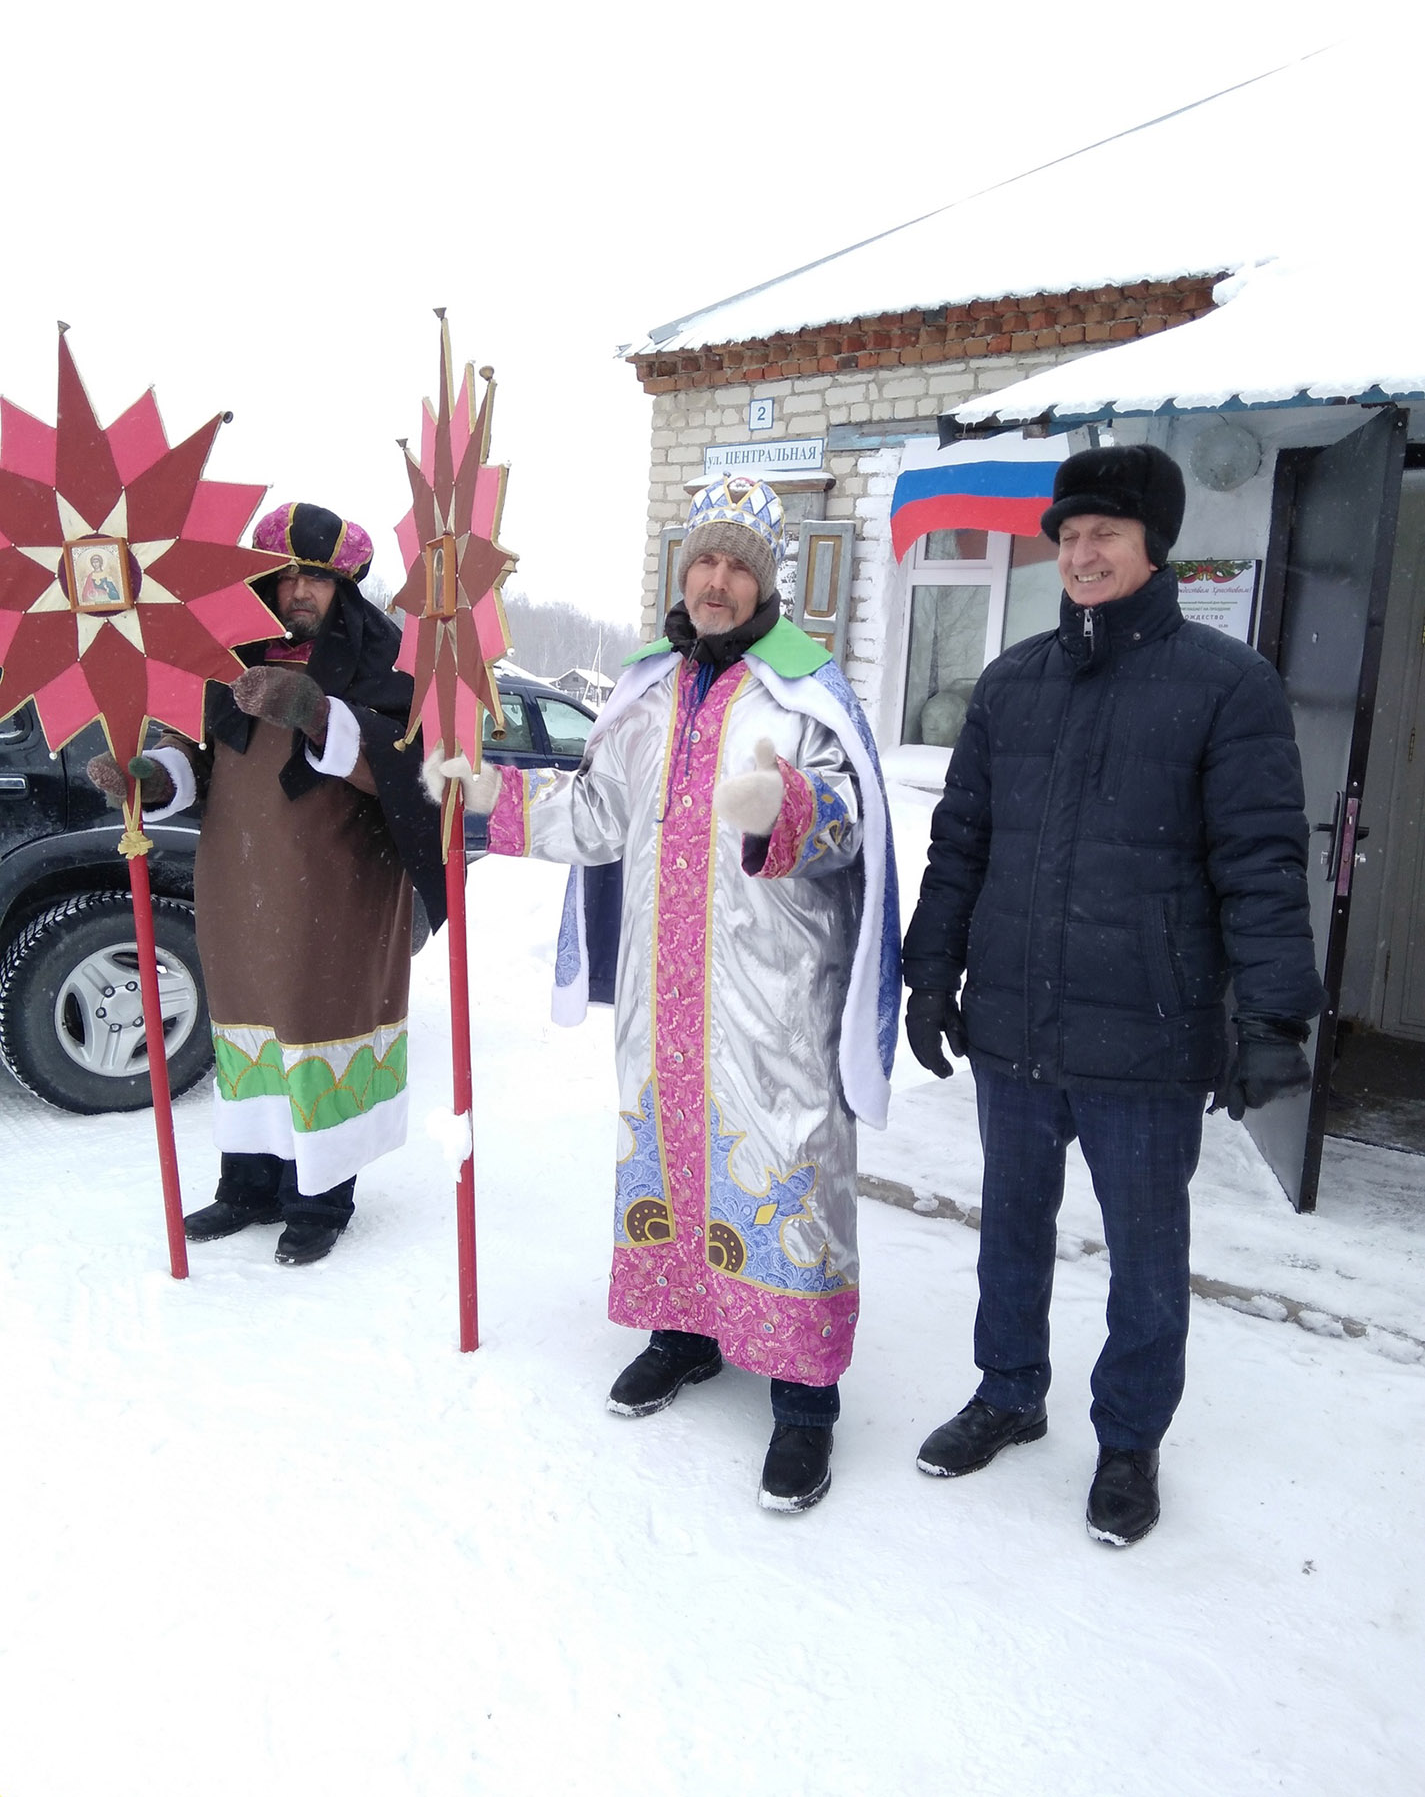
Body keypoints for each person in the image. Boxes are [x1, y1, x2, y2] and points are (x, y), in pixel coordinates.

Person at [451, 476, 900, 1512]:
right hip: (664, 987)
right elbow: (601, 814)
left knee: (786, 1161)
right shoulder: (647, 687)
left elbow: (850, 825)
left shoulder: (806, 690)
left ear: (766, 581)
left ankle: (803, 1400)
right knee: (665, 1143)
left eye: (737, 564)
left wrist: (784, 809)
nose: (715, 579)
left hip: (774, 995)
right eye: (703, 559)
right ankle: (685, 1331)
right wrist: (493, 797)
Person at [901, 444, 1322, 1545]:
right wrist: (931, 969)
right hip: (1017, 1022)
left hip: (1149, 1032)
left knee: (1145, 1252)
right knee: (1011, 1228)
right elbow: (962, 842)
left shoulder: (1228, 688)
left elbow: (1260, 860)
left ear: (1153, 548)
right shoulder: (1011, 682)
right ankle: (1008, 1392)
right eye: (1070, 536)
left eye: (1107, 536)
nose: (1082, 553)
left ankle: (1130, 1440)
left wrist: (1272, 1015)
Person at [87, 502, 445, 1265]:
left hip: (338, 887)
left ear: (344, 585)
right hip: (239, 878)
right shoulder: (223, 655)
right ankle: (246, 1185)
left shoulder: (386, 663)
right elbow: (197, 753)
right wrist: (149, 777)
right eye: (285, 577)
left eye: (318, 577)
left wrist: (321, 716)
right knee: (247, 1029)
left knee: (316, 1031)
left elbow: (410, 774)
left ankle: (320, 1199)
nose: (300, 592)